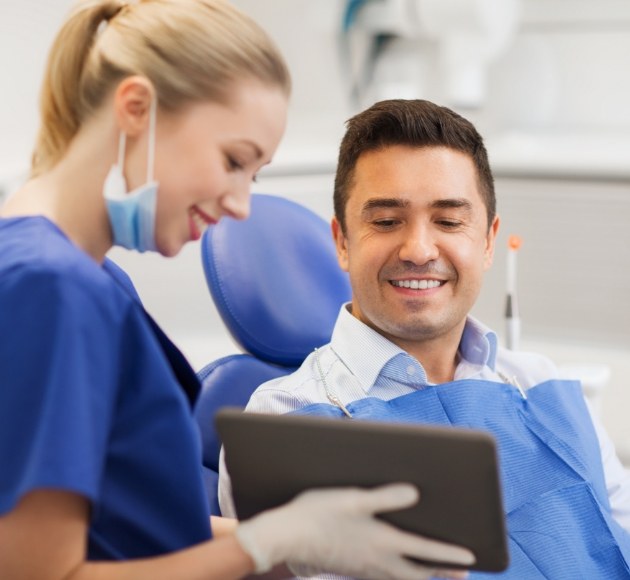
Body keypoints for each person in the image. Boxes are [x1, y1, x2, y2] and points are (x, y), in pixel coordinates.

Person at [0, 3, 476, 580]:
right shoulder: (51, 287)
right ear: (136, 109)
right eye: (233, 161)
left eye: (253, 176)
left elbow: (130, 523)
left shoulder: (91, 277)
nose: (240, 205)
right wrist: (260, 545)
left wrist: (301, 538)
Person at [218, 99, 630, 578]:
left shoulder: (542, 385)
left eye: (450, 221)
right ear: (343, 242)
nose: (418, 249)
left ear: (489, 241)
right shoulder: (286, 419)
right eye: (387, 221)